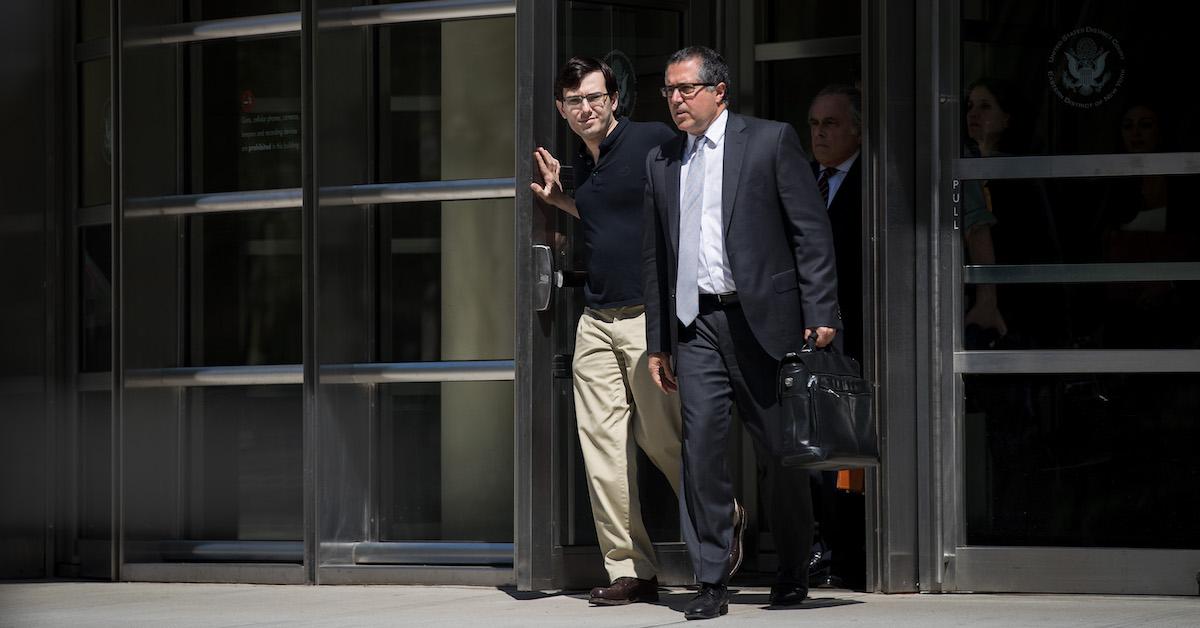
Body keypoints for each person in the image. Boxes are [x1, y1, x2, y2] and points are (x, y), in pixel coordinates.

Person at [642, 45, 841, 620]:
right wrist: (660, 341)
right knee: (700, 450)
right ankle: (710, 579)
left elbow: (810, 231)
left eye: (685, 89)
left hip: (765, 324)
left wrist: (821, 309)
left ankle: (792, 567)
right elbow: (654, 256)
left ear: (718, 91)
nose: (675, 99)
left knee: (780, 455)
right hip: (695, 324)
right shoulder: (661, 161)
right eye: (669, 90)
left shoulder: (770, 141)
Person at [528, 56, 683, 606]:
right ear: (561, 108)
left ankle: (719, 516)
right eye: (574, 101)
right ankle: (631, 569)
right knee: (602, 447)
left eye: (595, 98)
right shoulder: (582, 164)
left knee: (660, 436)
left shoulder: (652, 142)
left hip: (647, 314)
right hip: (595, 319)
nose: (586, 109)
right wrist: (556, 199)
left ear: (614, 98)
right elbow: (601, 217)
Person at [806, 83, 864, 590]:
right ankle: (821, 545)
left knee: (849, 452)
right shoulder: (806, 179)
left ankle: (852, 553)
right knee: (814, 450)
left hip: (858, 339)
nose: (820, 134)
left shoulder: (873, 183)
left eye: (831, 124)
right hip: (808, 341)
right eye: (815, 125)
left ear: (857, 129)